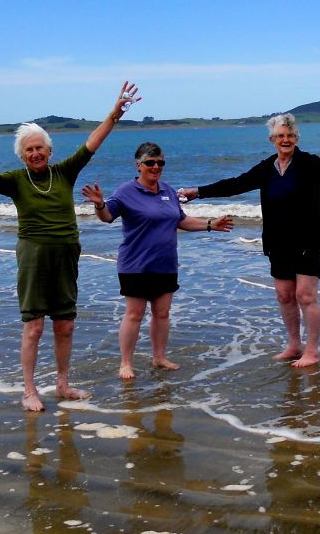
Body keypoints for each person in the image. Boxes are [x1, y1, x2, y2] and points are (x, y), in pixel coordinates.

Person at [0, 81, 141, 411]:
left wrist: (115, 113)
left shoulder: (64, 172)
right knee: (34, 326)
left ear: (49, 151)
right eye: (28, 150)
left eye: (40, 148)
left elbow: (91, 144)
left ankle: (63, 384)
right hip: (34, 256)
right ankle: (29, 390)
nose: (35, 153)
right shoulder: (16, 180)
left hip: (67, 254)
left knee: (65, 324)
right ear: (22, 156)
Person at [178, 113, 320, 370]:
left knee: (305, 295)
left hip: (310, 237)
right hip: (277, 238)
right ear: (272, 139)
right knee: (284, 295)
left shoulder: (309, 163)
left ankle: (312, 351)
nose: (286, 140)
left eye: (290, 135)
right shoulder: (266, 168)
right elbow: (235, 184)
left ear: (296, 138)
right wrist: (199, 192)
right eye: (281, 136)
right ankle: (294, 345)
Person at [82, 142, 233, 380]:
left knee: (162, 313)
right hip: (136, 264)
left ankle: (159, 357)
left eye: (160, 163)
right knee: (134, 314)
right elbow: (107, 216)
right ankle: (126, 363)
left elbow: (180, 220)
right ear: (138, 165)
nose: (155, 167)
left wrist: (210, 225)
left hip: (165, 264)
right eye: (150, 163)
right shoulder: (125, 191)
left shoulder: (168, 192)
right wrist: (100, 204)